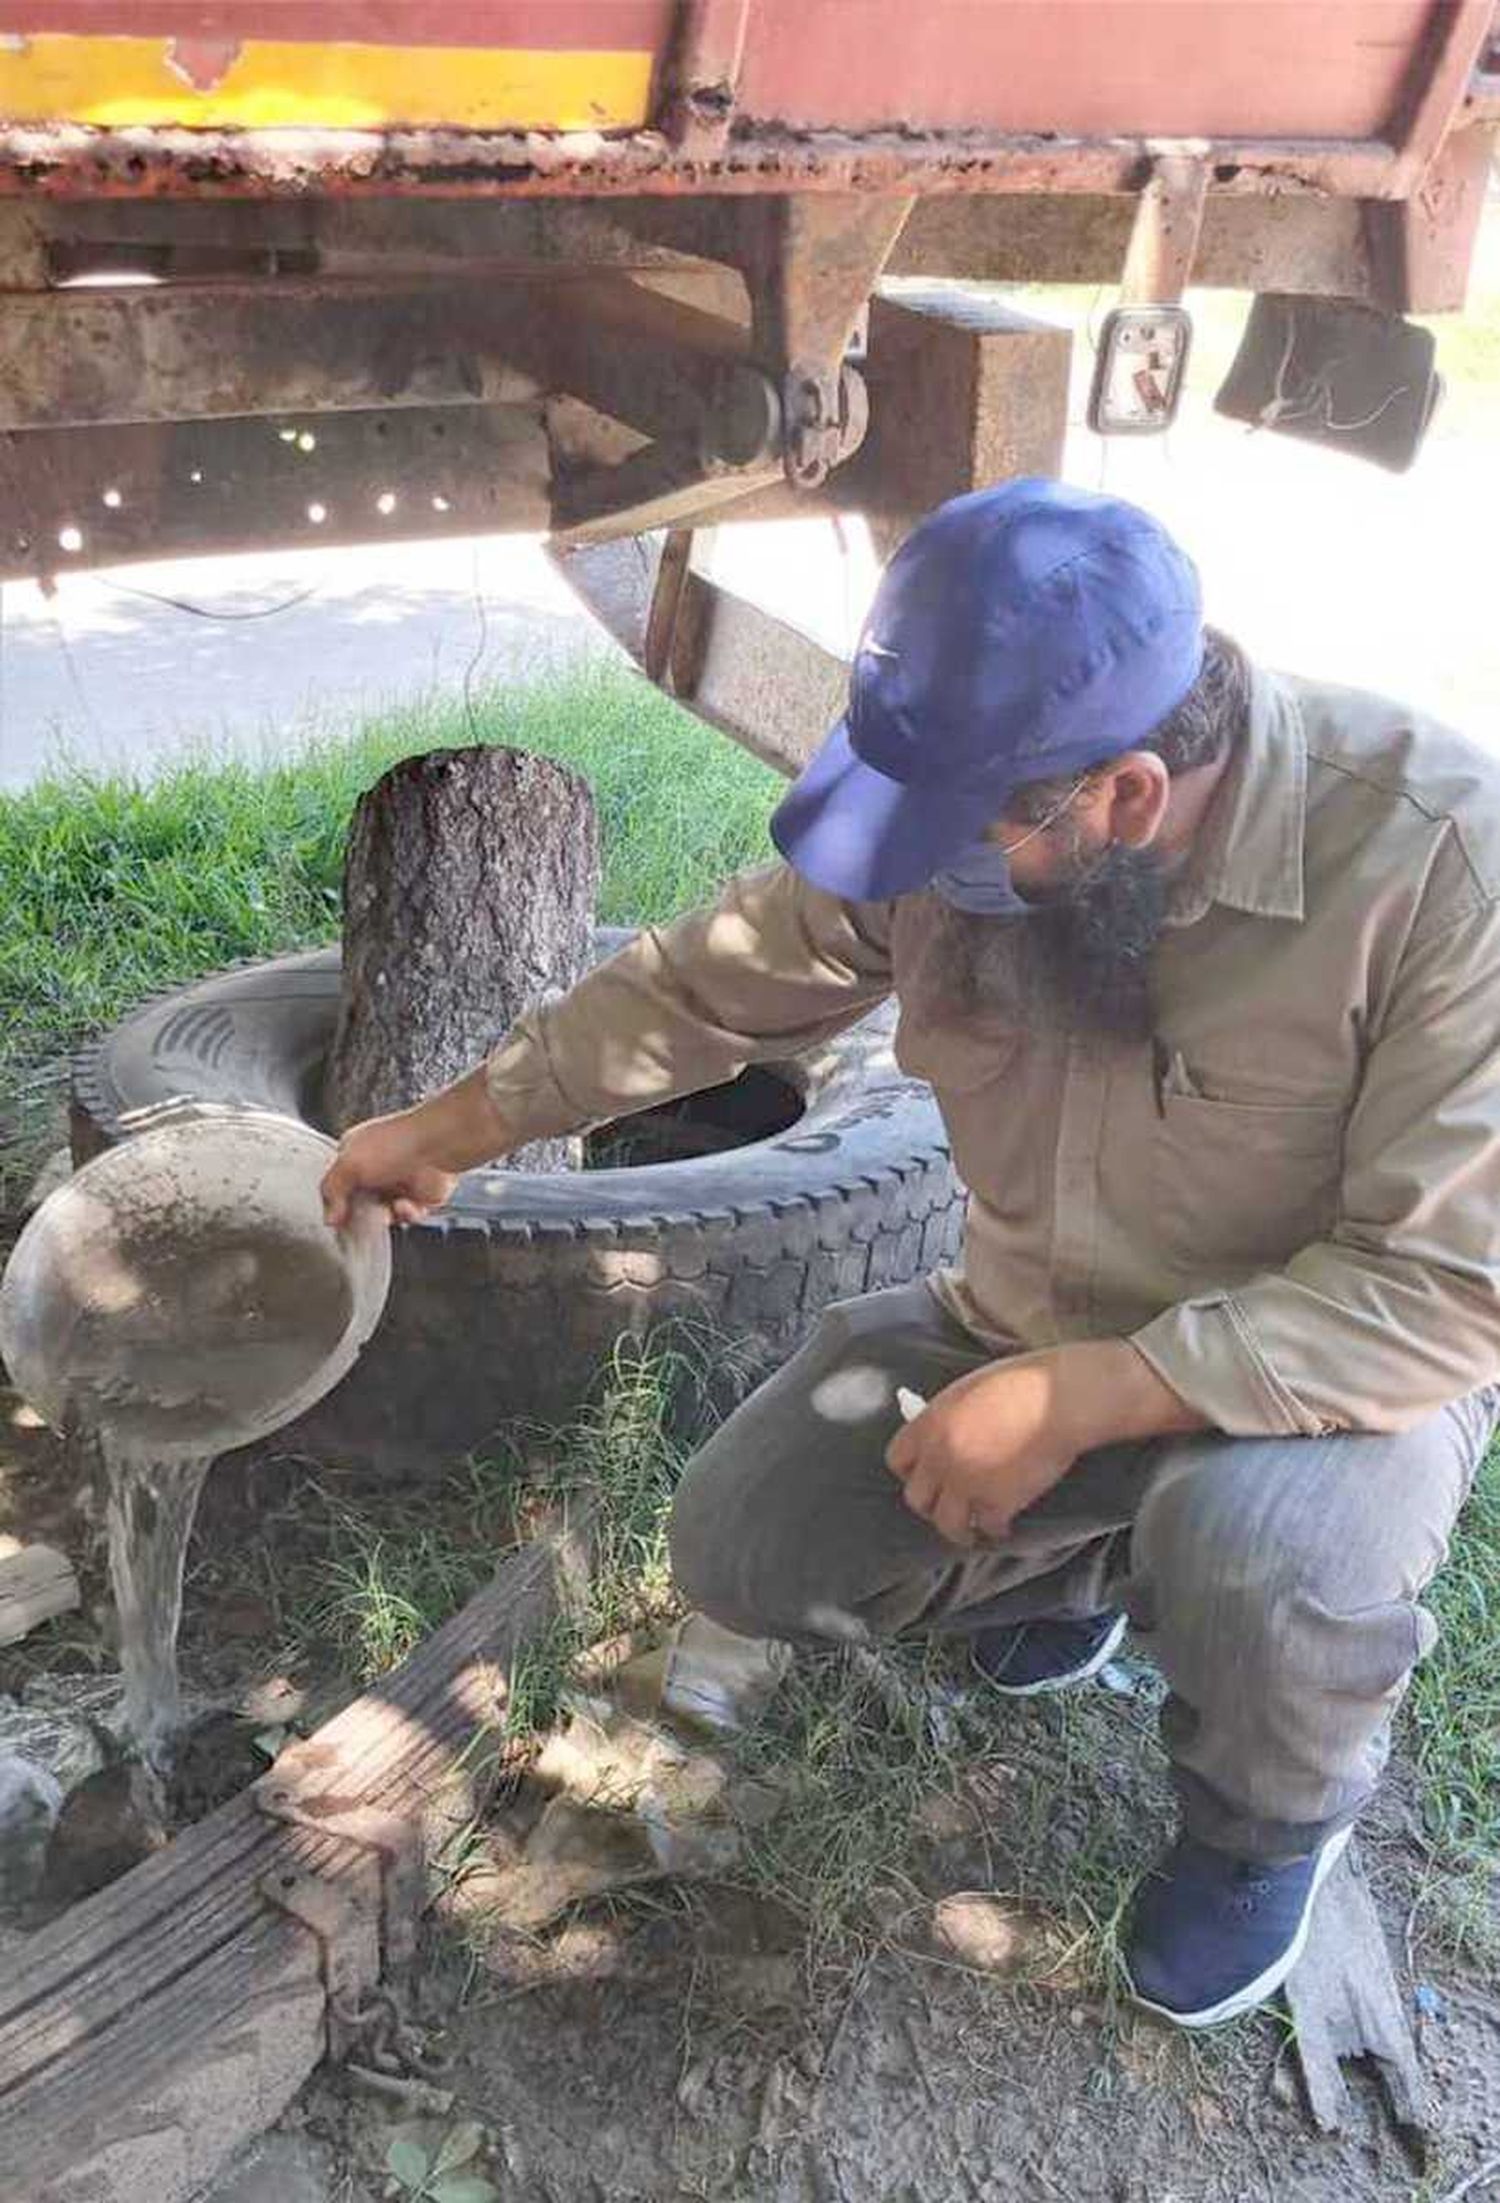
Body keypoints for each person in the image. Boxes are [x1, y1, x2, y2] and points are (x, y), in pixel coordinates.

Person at [322, 479, 1500, 2029]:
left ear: (1124, 801)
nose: (918, 881)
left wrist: (1089, 1395)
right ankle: (1077, 1572)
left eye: (960, 845)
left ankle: (1263, 1830)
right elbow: (712, 983)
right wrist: (456, 1127)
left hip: (1328, 1386)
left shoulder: (1436, 863)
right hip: (1023, 1325)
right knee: (743, 1547)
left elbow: (1446, 1290)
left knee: (1254, 1552)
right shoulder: (989, 813)